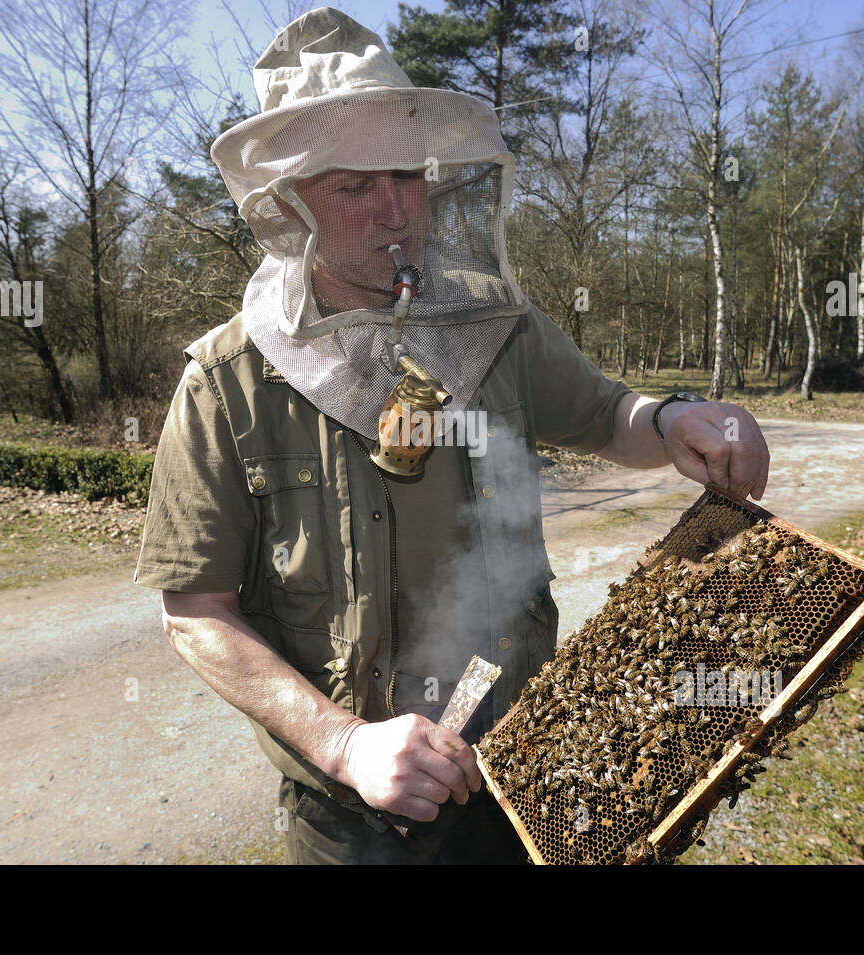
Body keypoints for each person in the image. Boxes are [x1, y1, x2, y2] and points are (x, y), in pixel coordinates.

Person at [133, 7, 769, 864]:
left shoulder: (490, 320)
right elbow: (196, 613)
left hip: (522, 760)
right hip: (353, 815)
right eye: (356, 186)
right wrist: (345, 743)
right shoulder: (226, 380)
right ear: (289, 203)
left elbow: (607, 416)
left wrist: (680, 417)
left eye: (408, 173)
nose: (397, 209)